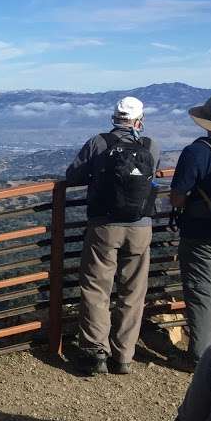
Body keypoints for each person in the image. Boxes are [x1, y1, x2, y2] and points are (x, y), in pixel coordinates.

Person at [65, 96, 160, 376]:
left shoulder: (98, 143)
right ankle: (124, 356)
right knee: (133, 290)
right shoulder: (151, 145)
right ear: (139, 121)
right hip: (141, 226)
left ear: (114, 117)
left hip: (104, 225)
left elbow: (72, 175)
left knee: (96, 288)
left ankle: (95, 352)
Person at [170, 95, 211, 365]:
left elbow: (178, 197)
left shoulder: (197, 151)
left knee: (203, 294)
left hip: (203, 236)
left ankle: (205, 362)